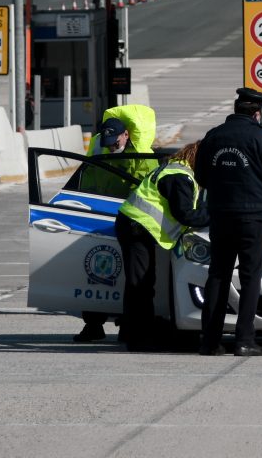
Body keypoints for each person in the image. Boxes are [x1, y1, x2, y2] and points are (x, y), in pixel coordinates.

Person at [194, 87, 262, 357]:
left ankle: (210, 341)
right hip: (253, 217)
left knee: (218, 275)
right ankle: (245, 339)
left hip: (220, 214)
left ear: (236, 110)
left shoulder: (213, 136)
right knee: (250, 277)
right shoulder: (261, 138)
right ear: (257, 113)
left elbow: (200, 175)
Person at [74, 103, 158, 343]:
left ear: (126, 135)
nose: (112, 147)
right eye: (107, 142)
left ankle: (128, 324)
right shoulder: (98, 155)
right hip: (99, 220)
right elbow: (86, 184)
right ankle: (92, 324)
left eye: (115, 142)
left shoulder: (143, 159)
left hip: (131, 224)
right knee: (96, 275)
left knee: (132, 279)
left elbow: (146, 194)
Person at [116, 141, 208, 352]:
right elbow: (184, 213)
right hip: (136, 227)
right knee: (141, 284)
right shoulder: (180, 177)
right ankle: (138, 340)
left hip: (135, 226)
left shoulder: (175, 170)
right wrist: (215, 215)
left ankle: (130, 332)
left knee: (140, 282)